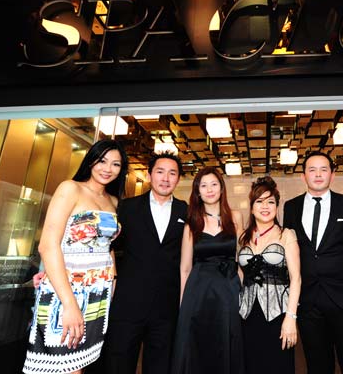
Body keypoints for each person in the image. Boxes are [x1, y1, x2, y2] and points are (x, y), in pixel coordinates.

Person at [23, 139, 128, 374]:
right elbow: (48, 245)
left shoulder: (113, 201)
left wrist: (113, 281)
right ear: (91, 160)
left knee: (79, 362)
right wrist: (69, 304)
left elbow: (108, 246)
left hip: (98, 291)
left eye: (116, 164)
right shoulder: (70, 188)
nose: (108, 169)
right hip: (68, 290)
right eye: (102, 161)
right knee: (62, 361)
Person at [283, 151, 343, 374]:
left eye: (323, 169)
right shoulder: (291, 207)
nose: (318, 174)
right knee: (317, 366)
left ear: (332, 175)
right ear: (303, 176)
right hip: (309, 302)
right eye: (312, 170)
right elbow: (290, 251)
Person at [103, 152, 188, 374]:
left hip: (166, 306)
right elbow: (107, 246)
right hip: (128, 302)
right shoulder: (126, 208)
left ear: (178, 179)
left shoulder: (186, 211)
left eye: (172, 173)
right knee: (118, 362)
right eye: (160, 172)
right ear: (149, 175)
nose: (165, 178)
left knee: (161, 365)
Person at [171, 167, 245, 374]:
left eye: (214, 184)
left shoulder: (236, 217)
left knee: (227, 341)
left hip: (228, 289)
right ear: (197, 191)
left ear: (222, 188)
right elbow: (185, 268)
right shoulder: (191, 223)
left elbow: (241, 258)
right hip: (198, 291)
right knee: (198, 344)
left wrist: (242, 290)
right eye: (203, 186)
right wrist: (183, 303)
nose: (209, 189)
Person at [238, 177, 301, 374]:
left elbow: (296, 278)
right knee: (251, 365)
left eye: (270, 201)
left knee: (278, 365)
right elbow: (240, 275)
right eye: (259, 201)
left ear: (276, 206)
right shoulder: (243, 238)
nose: (265, 206)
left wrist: (291, 317)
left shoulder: (287, 235)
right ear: (251, 207)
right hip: (247, 314)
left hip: (278, 314)